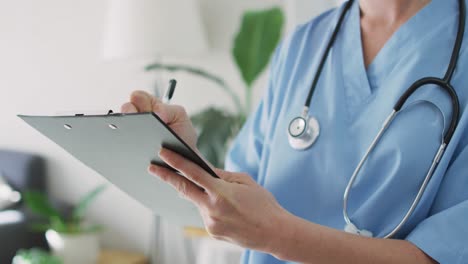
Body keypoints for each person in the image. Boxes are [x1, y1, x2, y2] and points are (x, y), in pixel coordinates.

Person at [121, 0, 468, 263]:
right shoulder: (305, 45)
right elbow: (239, 202)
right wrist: (180, 154)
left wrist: (278, 235)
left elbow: (444, 253)